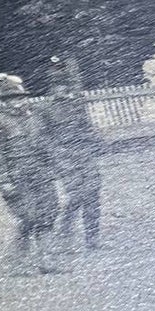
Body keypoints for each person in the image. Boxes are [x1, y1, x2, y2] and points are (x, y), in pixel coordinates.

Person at [0, 75, 62, 274]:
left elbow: (46, 146)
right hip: (18, 178)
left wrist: (54, 168)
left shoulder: (35, 118)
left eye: (22, 98)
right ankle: (16, 264)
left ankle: (47, 261)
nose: (19, 102)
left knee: (48, 216)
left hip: (41, 175)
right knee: (27, 218)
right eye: (14, 99)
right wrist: (4, 181)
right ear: (5, 101)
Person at [43, 69, 103, 250]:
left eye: (64, 85)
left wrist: (94, 141)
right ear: (52, 89)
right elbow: (43, 137)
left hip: (85, 154)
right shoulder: (45, 109)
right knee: (75, 197)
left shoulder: (76, 105)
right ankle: (64, 238)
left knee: (93, 196)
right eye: (57, 86)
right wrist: (56, 153)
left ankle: (92, 240)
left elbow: (88, 127)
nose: (61, 89)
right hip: (64, 158)